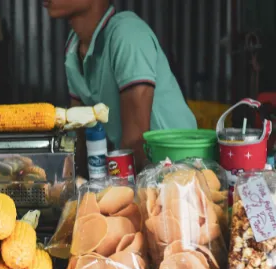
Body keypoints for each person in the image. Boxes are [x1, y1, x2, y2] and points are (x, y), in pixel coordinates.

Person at [44, 0, 197, 172]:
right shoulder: (73, 48)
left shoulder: (127, 34)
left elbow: (136, 142)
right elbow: (80, 139)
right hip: (137, 171)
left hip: (181, 170)